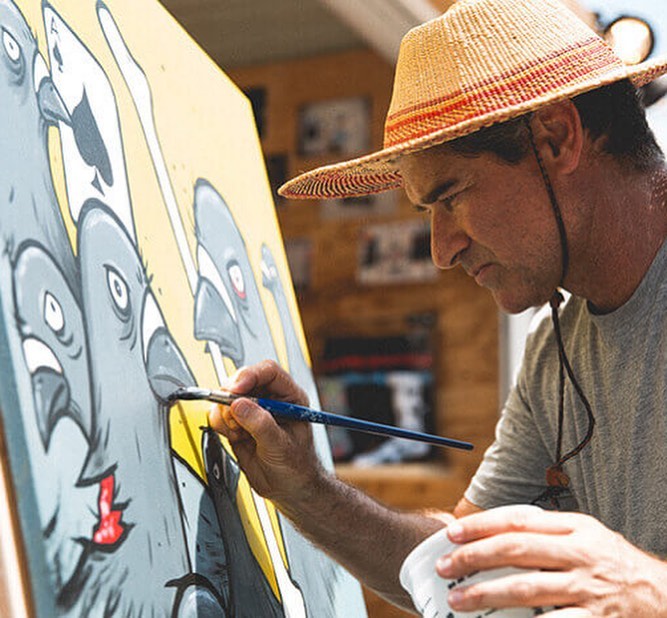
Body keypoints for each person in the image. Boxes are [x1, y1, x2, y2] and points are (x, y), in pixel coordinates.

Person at [210, 0, 667, 614]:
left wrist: (650, 588)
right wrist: (307, 489)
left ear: (556, 138)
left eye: (450, 197)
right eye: (427, 213)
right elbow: (459, 565)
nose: (441, 250)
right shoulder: (552, 354)